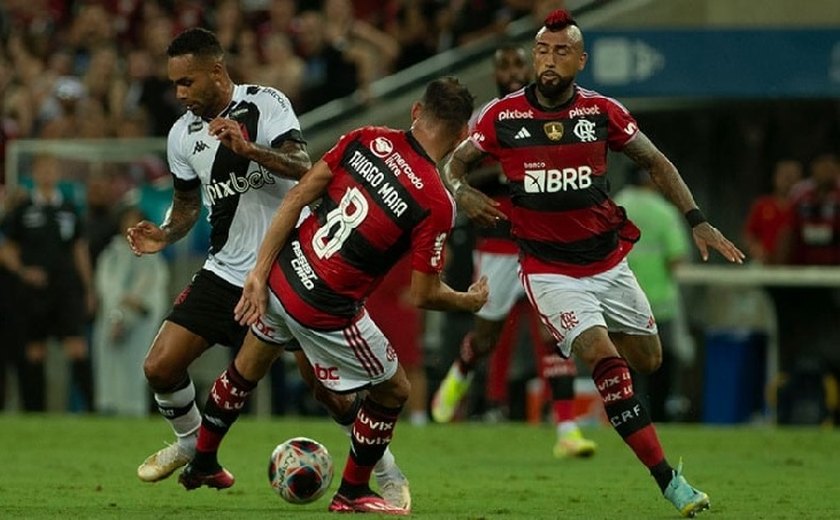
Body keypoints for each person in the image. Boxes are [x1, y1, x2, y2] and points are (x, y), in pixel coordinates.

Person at [443, 9, 745, 517]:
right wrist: (461, 191)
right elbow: (452, 163)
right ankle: (669, 480)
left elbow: (656, 162)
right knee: (605, 361)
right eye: (543, 50)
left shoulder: (602, 112)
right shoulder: (503, 116)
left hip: (608, 264)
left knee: (648, 359)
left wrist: (697, 219)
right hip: (548, 270)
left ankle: (616, 393)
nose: (549, 60)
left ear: (581, 60)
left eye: (562, 52)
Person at [125, 28, 409, 506]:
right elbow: (187, 206)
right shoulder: (181, 135)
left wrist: (250, 150)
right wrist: (166, 231)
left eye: (187, 82)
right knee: (160, 366)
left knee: (332, 395)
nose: (180, 94)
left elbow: (305, 167)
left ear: (217, 71)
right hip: (227, 271)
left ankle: (389, 475)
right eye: (175, 84)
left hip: (292, 268)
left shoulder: (265, 104)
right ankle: (195, 447)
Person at [179, 77, 486, 515]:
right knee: (394, 389)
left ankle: (202, 460)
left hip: (286, 272)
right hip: (326, 304)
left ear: (416, 111)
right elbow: (423, 293)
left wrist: (259, 273)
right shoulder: (436, 201)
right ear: (461, 136)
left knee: (247, 368)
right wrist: (468, 300)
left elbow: (299, 195)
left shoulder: (365, 138)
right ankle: (352, 492)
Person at [431, 44, 596, 458]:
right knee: (487, 334)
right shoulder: (486, 116)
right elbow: (457, 171)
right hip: (499, 239)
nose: (510, 70)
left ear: (531, 66)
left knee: (556, 330)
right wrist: (504, 170)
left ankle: (567, 430)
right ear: (495, 72)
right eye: (502, 63)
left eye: (516, 62)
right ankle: (461, 371)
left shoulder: (556, 112)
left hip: (544, 237)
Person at [1, 154, 95, 412]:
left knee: (77, 347)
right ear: (34, 173)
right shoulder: (22, 209)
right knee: (34, 350)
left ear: (58, 173)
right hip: (33, 292)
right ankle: (35, 412)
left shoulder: (68, 209)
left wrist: (88, 288)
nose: (47, 174)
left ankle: (91, 410)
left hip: (66, 290)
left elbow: (79, 250)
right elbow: (6, 249)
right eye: (42, 169)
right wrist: (23, 271)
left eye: (52, 169)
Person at [614, 168, 692, 422]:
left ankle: (628, 416)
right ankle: (658, 416)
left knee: (624, 360)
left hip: (620, 300)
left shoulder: (615, 207)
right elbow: (676, 258)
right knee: (660, 361)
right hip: (659, 302)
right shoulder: (664, 212)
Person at [93, 205, 169, 416]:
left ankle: (134, 409)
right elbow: (106, 286)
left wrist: (137, 304)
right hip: (112, 319)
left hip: (141, 323)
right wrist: (118, 313)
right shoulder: (112, 253)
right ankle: (108, 407)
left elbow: (156, 287)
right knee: (110, 366)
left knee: (137, 366)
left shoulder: (152, 256)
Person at [743, 159, 803, 264]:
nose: (788, 181)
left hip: (797, 266)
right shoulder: (762, 204)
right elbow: (749, 235)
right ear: (775, 178)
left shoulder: (804, 207)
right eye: (784, 176)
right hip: (765, 264)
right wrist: (758, 252)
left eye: (792, 176)